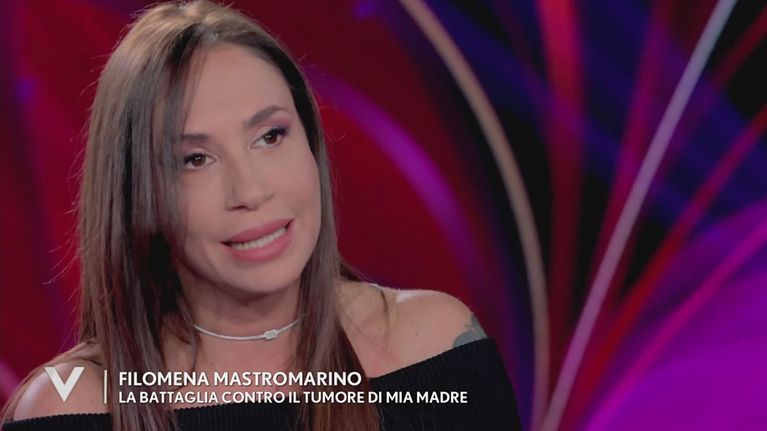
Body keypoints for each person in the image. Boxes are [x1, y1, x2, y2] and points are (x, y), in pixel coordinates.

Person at [0, 1, 521, 430]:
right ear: (141, 196)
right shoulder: (71, 407)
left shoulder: (436, 347)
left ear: (311, 143)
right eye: (195, 159)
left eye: (270, 136)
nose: (250, 191)